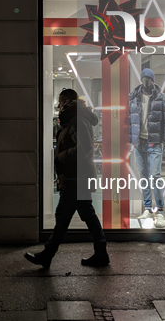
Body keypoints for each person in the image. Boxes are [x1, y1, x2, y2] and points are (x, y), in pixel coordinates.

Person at [25, 89, 108, 269]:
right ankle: (101, 254)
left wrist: (61, 157)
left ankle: (47, 255)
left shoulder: (77, 119)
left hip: (76, 177)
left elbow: (84, 148)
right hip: (76, 177)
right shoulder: (74, 118)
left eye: (60, 102)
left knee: (64, 218)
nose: (58, 106)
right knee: (85, 216)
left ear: (68, 102)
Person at [128, 68, 165, 228]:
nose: (146, 81)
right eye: (144, 78)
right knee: (144, 176)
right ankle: (147, 208)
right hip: (139, 143)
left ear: (153, 80)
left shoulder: (161, 98)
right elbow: (129, 120)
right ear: (141, 79)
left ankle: (160, 211)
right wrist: (129, 139)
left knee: (155, 176)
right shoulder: (133, 97)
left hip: (154, 143)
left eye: (149, 78)